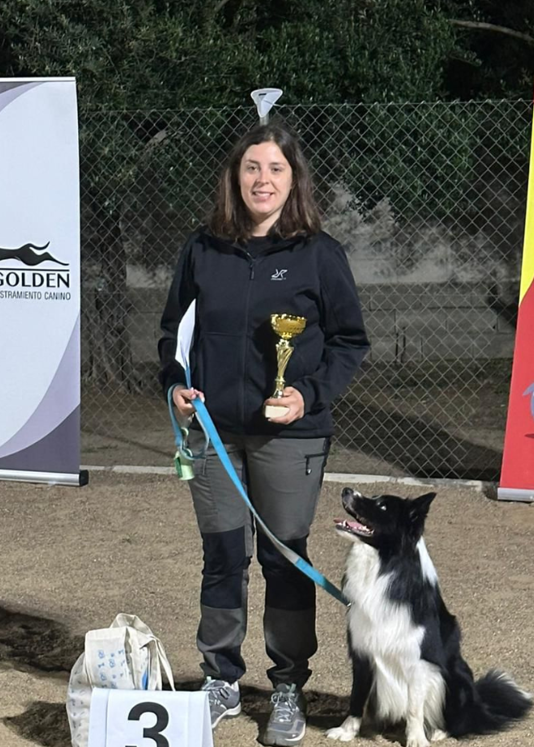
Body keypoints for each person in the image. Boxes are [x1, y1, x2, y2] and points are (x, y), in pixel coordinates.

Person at [158, 121, 369, 746]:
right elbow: (174, 334)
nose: (263, 180)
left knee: (285, 559)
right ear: (235, 177)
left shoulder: (319, 254)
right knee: (223, 557)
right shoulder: (202, 249)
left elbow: (351, 343)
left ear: (293, 180)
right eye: (252, 168)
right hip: (215, 435)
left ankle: (286, 687)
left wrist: (305, 394)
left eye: (276, 169)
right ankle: (220, 677)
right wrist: (175, 386)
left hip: (291, 439)